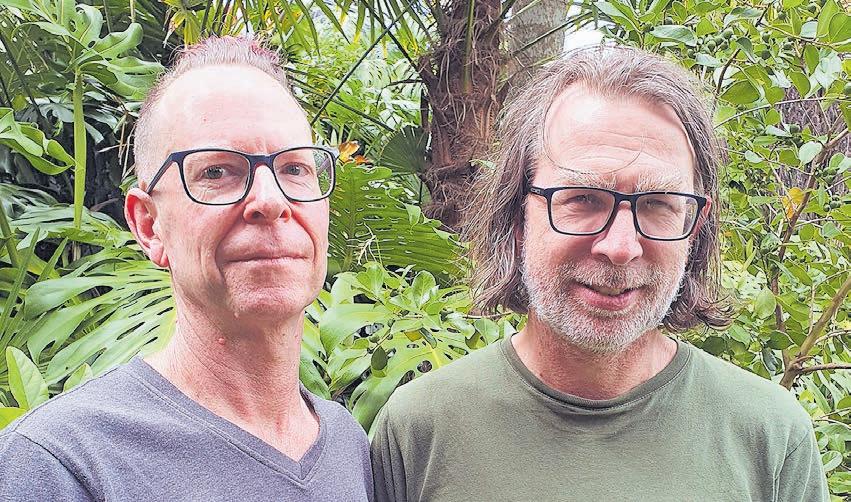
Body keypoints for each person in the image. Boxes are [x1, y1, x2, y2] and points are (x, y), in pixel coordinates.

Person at [370, 45, 828, 501]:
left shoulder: (771, 436)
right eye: (583, 198)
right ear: (517, 215)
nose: (621, 247)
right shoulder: (418, 433)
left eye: (657, 204)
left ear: (695, 225)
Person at [0, 36, 372, 501]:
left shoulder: (347, 444)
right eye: (216, 171)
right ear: (149, 225)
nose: (271, 200)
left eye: (295, 168)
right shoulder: (58, 464)